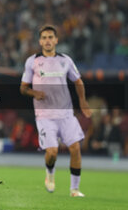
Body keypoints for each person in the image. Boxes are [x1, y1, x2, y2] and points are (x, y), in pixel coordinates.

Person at [20, 25, 92, 197]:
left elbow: (78, 81)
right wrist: (33, 92)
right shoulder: (33, 61)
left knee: (75, 148)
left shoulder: (65, 60)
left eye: (50, 37)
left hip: (66, 114)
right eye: (44, 37)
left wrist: (82, 101)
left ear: (56, 40)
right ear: (40, 41)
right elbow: (22, 88)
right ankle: (50, 174)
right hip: (45, 115)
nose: (47, 40)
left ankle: (74, 189)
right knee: (52, 152)